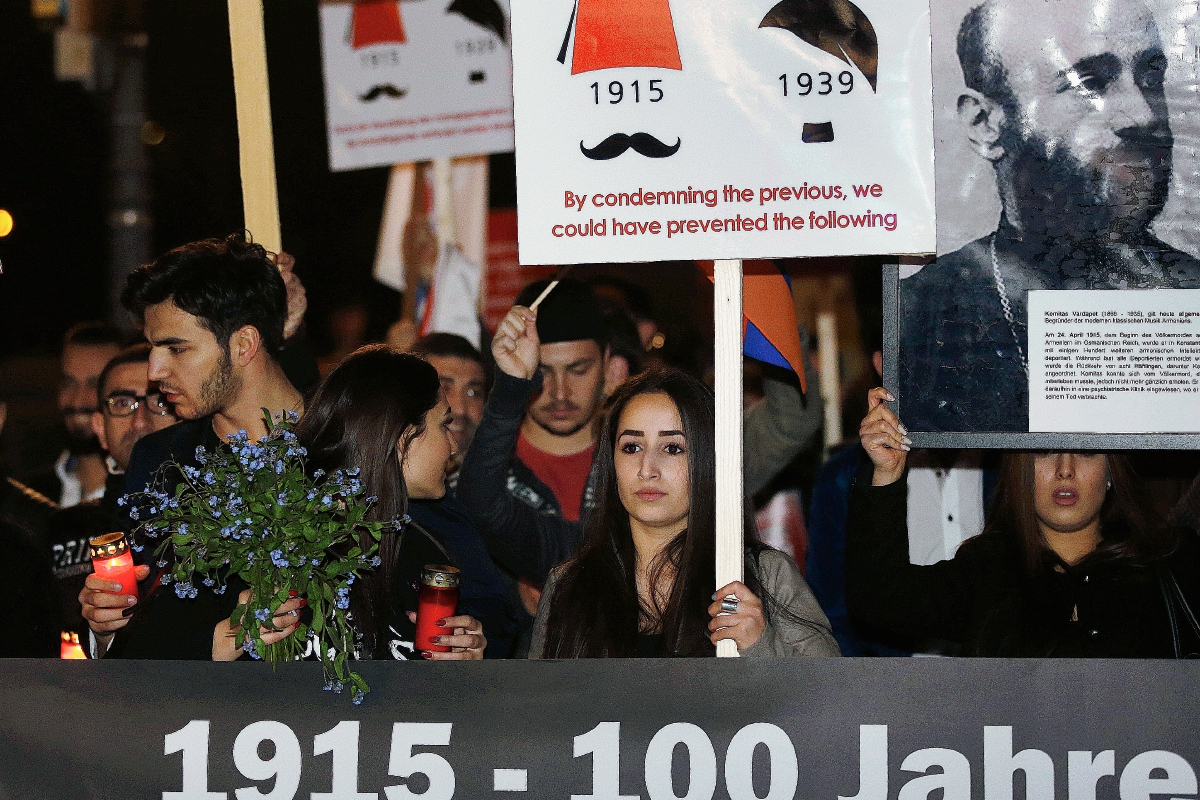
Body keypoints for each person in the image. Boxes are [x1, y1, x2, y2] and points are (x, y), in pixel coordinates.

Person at [899, 0, 1200, 432]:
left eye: (1151, 76)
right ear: (985, 123)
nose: (1145, 115)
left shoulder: (1193, 296)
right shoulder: (919, 321)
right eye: (1091, 83)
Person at [92, 346, 487, 661]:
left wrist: (459, 669)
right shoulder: (257, 535)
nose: (453, 445)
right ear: (401, 437)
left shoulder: (423, 550)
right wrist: (225, 637)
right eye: (443, 424)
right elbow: (133, 666)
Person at [848, 387, 1200, 656]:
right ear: (1021, 471)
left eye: (1086, 451)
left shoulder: (1170, 564)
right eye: (1044, 450)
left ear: (1111, 471)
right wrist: (888, 471)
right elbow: (881, 601)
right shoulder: (988, 571)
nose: (1065, 469)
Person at [531, 368, 838, 658]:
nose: (647, 469)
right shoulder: (569, 585)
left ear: (707, 460)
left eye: (673, 448)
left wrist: (760, 647)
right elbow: (538, 705)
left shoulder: (764, 576)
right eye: (632, 447)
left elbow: (833, 701)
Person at [807, 265, 995, 655]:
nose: (943, 365)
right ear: (883, 363)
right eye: (924, 348)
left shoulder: (1012, 466)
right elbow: (832, 619)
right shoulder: (842, 481)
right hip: (892, 698)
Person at [43, 344, 178, 643]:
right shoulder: (62, 530)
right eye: (122, 403)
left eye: (158, 401)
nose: (140, 421)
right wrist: (100, 636)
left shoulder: (218, 515)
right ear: (100, 427)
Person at [29, 322, 124, 506]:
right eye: (69, 383)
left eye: (94, 384)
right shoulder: (33, 494)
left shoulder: (146, 497)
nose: (77, 401)